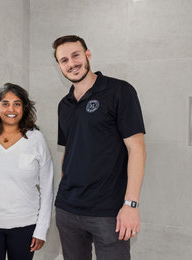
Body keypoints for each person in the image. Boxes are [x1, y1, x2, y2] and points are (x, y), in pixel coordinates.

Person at [52, 35, 146, 260]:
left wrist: (130, 204)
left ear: (88, 54)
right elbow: (69, 151)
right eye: (64, 60)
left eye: (76, 55)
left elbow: (137, 149)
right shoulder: (64, 105)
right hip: (67, 209)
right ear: (59, 66)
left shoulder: (119, 91)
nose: (71, 63)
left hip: (108, 212)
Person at [0, 83, 54, 260]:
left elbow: (47, 186)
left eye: (17, 103)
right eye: (5, 103)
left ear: (24, 108)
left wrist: (41, 229)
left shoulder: (36, 139)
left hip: (25, 225)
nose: (11, 109)